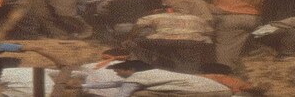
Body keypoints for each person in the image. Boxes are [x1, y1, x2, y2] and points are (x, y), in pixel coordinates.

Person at [74, 59, 232, 97]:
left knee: (139, 94)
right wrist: (84, 87)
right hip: (221, 90)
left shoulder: (137, 77)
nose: (116, 73)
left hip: (206, 93)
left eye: (118, 70)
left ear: (130, 70)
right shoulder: (152, 72)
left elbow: (122, 94)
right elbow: (116, 83)